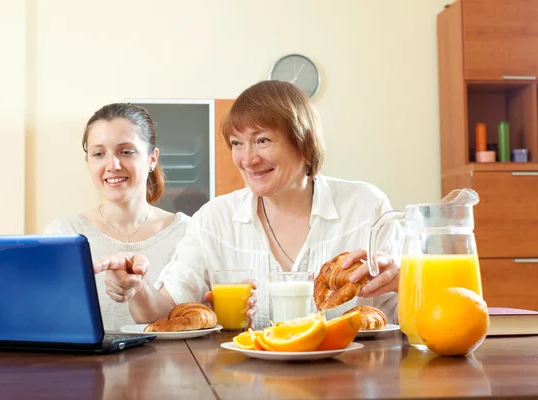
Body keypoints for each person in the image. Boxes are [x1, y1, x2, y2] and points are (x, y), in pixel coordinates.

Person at [96, 81, 402, 329]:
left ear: (304, 142)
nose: (247, 159)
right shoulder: (215, 220)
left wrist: (405, 283)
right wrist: (136, 288)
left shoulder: (365, 208)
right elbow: (163, 313)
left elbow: (410, 318)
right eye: (237, 143)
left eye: (263, 140)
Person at [44, 103, 190, 330]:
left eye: (126, 151)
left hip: (170, 365)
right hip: (83, 366)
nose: (112, 165)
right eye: (99, 154)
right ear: (89, 162)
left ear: (152, 159)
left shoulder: (187, 232)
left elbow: (189, 323)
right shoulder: (63, 233)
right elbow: (49, 319)